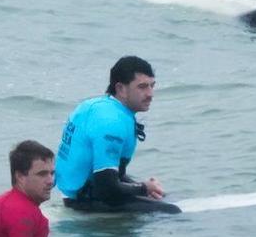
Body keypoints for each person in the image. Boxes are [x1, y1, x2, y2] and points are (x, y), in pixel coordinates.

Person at [55, 55, 177, 213]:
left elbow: (112, 176)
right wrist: (143, 188)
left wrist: (145, 188)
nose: (150, 94)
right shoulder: (111, 122)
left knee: (162, 196)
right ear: (121, 89)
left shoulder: (98, 105)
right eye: (142, 87)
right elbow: (106, 188)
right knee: (171, 210)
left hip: (78, 190)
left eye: (152, 86)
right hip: (83, 200)